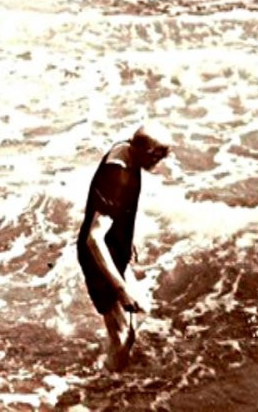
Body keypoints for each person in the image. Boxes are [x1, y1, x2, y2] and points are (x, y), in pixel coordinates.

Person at [76, 122, 171, 371]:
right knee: (124, 337)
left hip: (114, 249)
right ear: (139, 148)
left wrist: (126, 238)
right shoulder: (117, 177)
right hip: (99, 257)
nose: (159, 161)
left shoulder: (126, 150)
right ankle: (107, 388)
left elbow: (118, 212)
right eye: (156, 155)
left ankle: (110, 364)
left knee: (140, 312)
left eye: (164, 155)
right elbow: (93, 238)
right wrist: (121, 290)